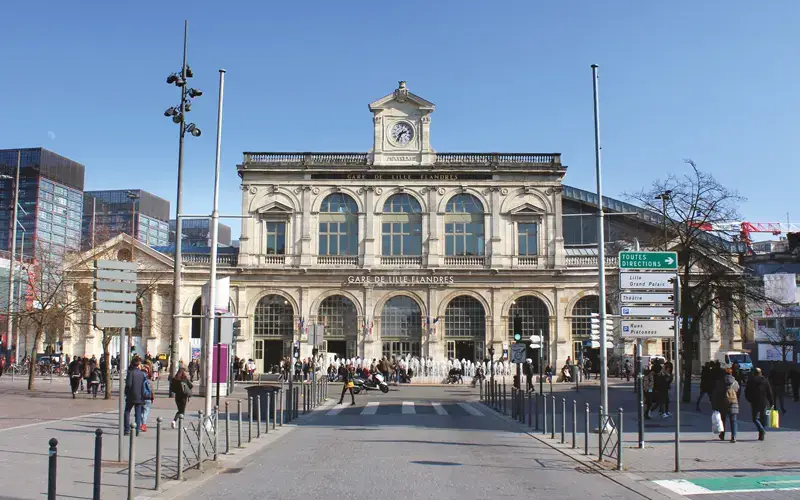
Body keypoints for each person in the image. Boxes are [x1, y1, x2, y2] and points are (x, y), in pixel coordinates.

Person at [745, 367, 774, 441]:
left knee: (755, 419)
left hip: (754, 402)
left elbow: (746, 392)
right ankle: (761, 435)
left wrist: (750, 400)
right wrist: (771, 402)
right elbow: (769, 393)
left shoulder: (751, 381)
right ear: (760, 373)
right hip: (764, 402)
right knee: (763, 419)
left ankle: (761, 430)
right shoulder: (765, 381)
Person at [713, 366, 740, 443]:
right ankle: (734, 436)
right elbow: (738, 390)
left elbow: (717, 393)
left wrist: (715, 404)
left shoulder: (720, 382)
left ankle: (722, 434)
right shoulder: (735, 382)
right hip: (733, 402)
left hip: (723, 402)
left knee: (722, 420)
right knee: (733, 420)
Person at [124, 358, 146, 436]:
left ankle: (127, 430)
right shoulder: (142, 373)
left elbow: (128, 385)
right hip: (139, 396)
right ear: (138, 365)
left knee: (127, 412)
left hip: (131, 396)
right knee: (138, 413)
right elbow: (144, 385)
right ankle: (137, 430)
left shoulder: (131, 373)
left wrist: (126, 393)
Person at [140, 364, 155, 432]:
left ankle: (141, 423)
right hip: (148, 398)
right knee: (146, 411)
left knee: (141, 412)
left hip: (140, 397)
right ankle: (144, 424)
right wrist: (152, 398)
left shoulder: (139, 380)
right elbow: (152, 390)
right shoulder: (149, 381)